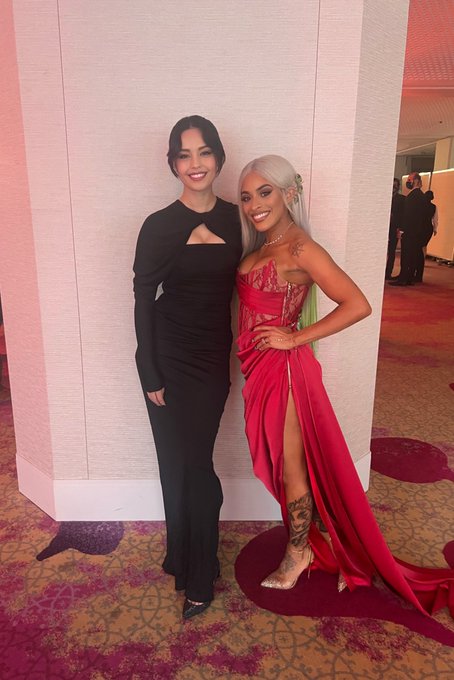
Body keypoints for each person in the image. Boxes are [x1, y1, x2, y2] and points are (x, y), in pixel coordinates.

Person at [236, 154, 454, 617]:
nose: (254, 204)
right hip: (257, 369)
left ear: (289, 193)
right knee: (282, 461)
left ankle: (299, 552)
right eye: (247, 196)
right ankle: (310, 542)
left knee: (292, 466)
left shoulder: (300, 248)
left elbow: (357, 303)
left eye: (264, 192)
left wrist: (294, 337)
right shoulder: (262, 243)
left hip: (284, 371)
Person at [133, 116, 242, 620]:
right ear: (173, 163)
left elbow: (262, 274)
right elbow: (142, 297)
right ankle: (184, 558)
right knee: (173, 464)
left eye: (203, 152)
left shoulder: (238, 220)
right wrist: (149, 371)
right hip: (166, 356)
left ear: (218, 157)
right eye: (184, 154)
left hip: (210, 358)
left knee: (197, 463)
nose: (195, 164)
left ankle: (200, 569)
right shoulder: (158, 225)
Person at [389, 172, 426, 287]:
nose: (408, 182)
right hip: (417, 231)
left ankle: (403, 278)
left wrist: (401, 230)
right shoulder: (422, 196)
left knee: (406, 255)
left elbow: (407, 216)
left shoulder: (412, 197)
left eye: (410, 179)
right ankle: (408, 277)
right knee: (412, 255)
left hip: (409, 231)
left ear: (416, 181)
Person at [414, 190, 438, 283]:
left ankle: (417, 268)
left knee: (418, 248)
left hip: (420, 228)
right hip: (428, 228)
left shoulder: (421, 206)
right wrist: (435, 229)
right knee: (423, 247)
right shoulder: (434, 207)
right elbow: (435, 219)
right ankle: (421, 267)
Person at [385, 178, 405, 280]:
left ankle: (388, 273)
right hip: (383, 228)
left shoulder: (402, 199)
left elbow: (403, 215)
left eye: (396, 185)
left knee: (391, 251)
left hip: (394, 228)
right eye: (392, 185)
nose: (394, 187)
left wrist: (400, 228)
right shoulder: (384, 197)